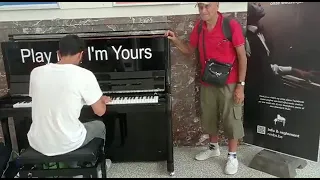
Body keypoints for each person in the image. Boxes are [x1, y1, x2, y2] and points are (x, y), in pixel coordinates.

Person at [165, 2, 247, 175]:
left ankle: (232, 156)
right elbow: (189, 50)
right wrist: (175, 39)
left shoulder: (230, 25)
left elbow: (242, 56)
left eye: (207, 6)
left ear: (217, 5)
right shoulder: (199, 27)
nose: (203, 10)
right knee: (208, 116)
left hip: (230, 83)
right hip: (208, 81)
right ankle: (213, 147)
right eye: (200, 6)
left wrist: (240, 86)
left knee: (232, 119)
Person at [27, 34, 112, 175]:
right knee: (99, 125)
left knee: (74, 126)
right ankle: (93, 165)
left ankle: (67, 165)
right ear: (81, 55)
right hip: (67, 142)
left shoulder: (36, 72)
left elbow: (53, 95)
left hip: (37, 141)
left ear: (58, 53)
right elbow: (100, 112)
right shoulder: (84, 74)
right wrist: (99, 99)